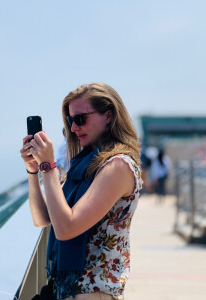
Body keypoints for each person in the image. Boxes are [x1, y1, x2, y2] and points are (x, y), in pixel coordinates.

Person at [20, 83, 142, 300]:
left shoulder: (118, 166)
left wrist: (48, 165)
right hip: (67, 290)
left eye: (80, 119)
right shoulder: (82, 167)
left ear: (108, 116)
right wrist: (34, 170)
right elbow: (43, 219)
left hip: (93, 293)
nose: (74, 128)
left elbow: (66, 229)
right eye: (70, 120)